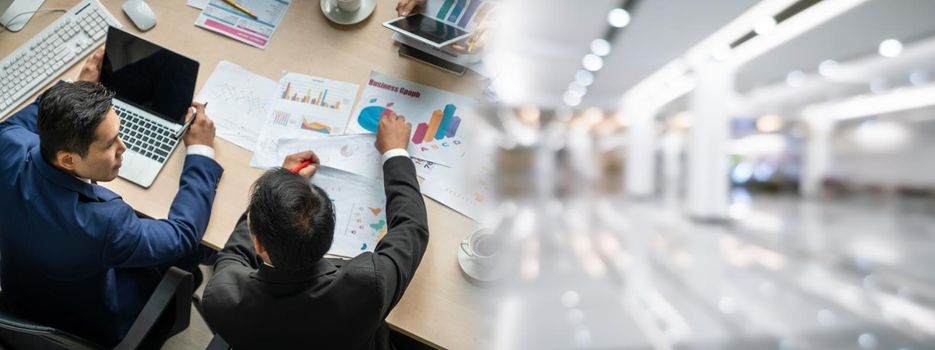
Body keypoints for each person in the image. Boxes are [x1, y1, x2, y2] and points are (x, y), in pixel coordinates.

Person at [0, 47, 223, 347]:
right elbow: (182, 234)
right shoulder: (105, 222)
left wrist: (74, 92)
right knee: (202, 249)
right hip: (96, 323)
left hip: (23, 296)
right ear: (67, 159)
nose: (123, 147)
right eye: (109, 144)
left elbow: (19, 123)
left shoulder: (8, 145)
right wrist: (200, 152)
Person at [202, 112, 429, 349]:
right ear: (328, 238)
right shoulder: (366, 286)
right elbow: (411, 227)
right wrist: (394, 152)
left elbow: (234, 254)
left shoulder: (222, 296)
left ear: (257, 244)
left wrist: (281, 187)